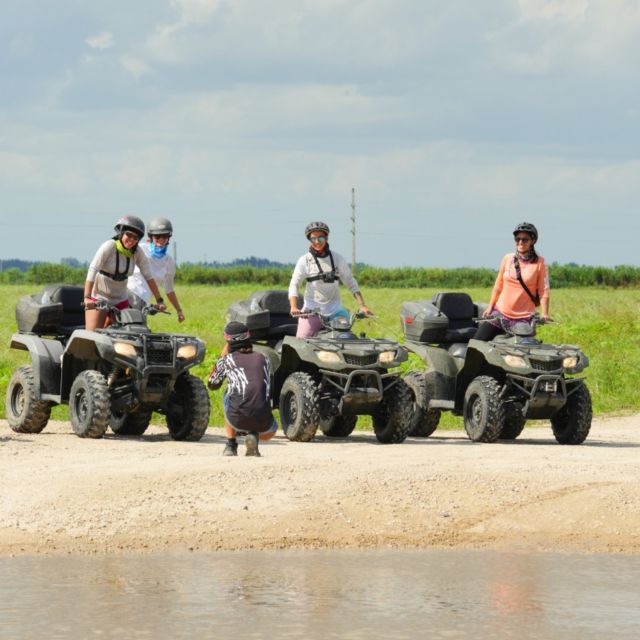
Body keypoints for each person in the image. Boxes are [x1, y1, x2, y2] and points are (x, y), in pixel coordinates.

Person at [288, 221, 372, 337]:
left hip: (336, 312)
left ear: (326, 238)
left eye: (321, 238)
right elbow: (294, 284)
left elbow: (351, 283)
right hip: (312, 312)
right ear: (309, 240)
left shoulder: (338, 259)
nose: (317, 242)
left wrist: (362, 305)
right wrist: (293, 306)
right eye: (313, 239)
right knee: (301, 343)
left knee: (346, 338)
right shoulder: (304, 260)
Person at [84, 215, 166, 331]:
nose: (131, 240)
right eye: (129, 235)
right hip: (99, 297)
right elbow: (93, 269)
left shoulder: (137, 252)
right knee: (91, 337)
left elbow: (148, 276)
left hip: (120, 299)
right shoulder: (109, 246)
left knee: (128, 334)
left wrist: (159, 300)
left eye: (135, 237)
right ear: (122, 233)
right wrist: (87, 297)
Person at [207, 321, 278, 457]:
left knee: (228, 392)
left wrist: (222, 356)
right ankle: (253, 434)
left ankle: (231, 445)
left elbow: (212, 384)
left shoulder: (227, 360)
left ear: (228, 342)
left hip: (236, 420)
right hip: (266, 428)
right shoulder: (264, 358)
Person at [474, 222, 551, 341]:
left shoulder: (540, 263)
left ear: (533, 241)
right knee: (476, 342)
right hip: (500, 313)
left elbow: (543, 291)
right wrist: (490, 307)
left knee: (522, 351)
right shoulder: (507, 258)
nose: (520, 242)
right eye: (517, 239)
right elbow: (498, 285)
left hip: (523, 318)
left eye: (525, 239)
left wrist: (545, 313)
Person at [128, 216, 185, 322]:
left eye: (164, 236)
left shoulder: (169, 262)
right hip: (127, 293)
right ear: (151, 237)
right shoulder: (139, 249)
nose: (161, 240)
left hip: (143, 302)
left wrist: (179, 310)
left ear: (169, 238)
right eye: (157, 236)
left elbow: (169, 289)